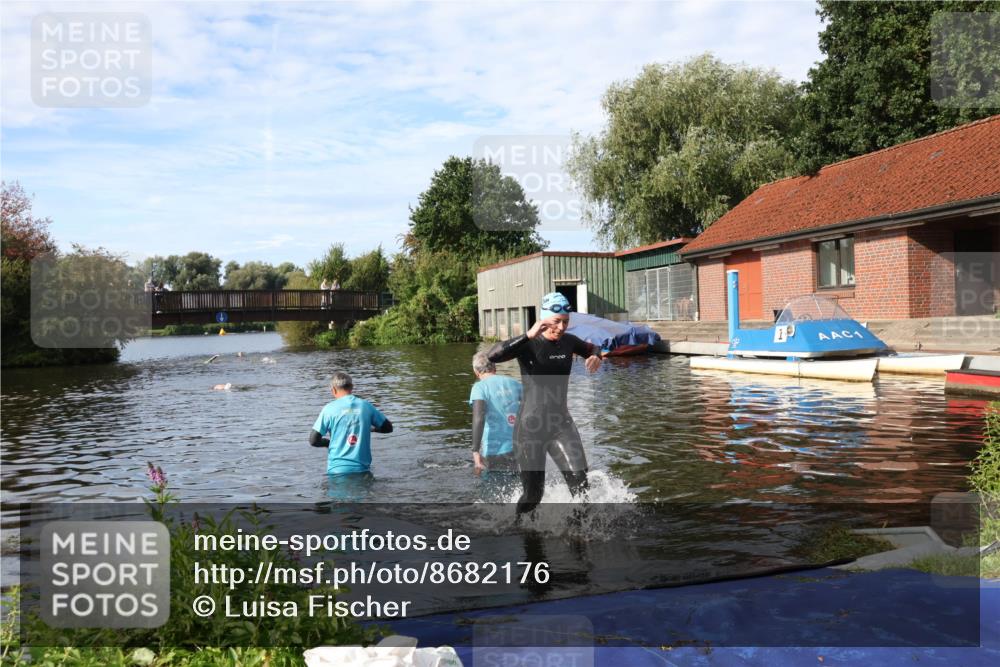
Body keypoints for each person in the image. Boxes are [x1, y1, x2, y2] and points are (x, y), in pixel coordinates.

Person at [487, 292, 602, 515]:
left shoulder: (568, 342)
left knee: (581, 485)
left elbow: (592, 348)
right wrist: (527, 336)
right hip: (531, 428)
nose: (561, 327)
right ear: (544, 319)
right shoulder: (528, 344)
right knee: (533, 496)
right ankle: (520, 528)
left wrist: (597, 355)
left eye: (566, 322)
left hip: (561, 424)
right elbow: (493, 356)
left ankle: (578, 534)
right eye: (556, 321)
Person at [309, 372, 393, 475]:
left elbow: (313, 440)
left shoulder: (329, 409)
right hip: (362, 470)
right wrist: (373, 429)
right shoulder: (366, 406)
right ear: (351, 387)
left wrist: (328, 443)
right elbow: (388, 428)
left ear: (333, 390)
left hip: (337, 471)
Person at [469, 352, 522, 492]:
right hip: (520, 448)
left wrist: (475, 452)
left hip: (495, 451)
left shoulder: (479, 388)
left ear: (476, 372)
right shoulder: (515, 384)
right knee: (517, 490)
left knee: (493, 494)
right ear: (495, 368)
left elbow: (478, 418)